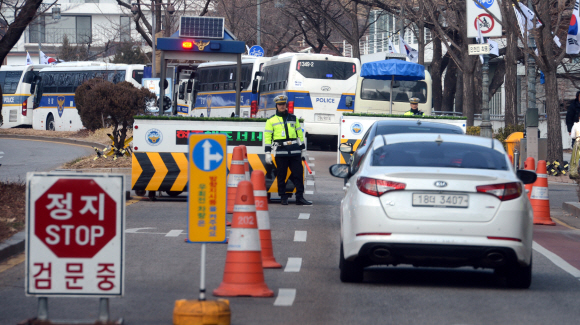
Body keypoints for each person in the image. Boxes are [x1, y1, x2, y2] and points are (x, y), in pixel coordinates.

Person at [264, 95, 312, 205]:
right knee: (281, 175)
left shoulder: (293, 118)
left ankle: (299, 197)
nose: (282, 106)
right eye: (280, 104)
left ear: (286, 105)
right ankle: (283, 196)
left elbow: (299, 135)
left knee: (298, 174)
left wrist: (303, 150)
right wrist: (267, 153)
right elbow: (268, 138)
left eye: (283, 104)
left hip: (295, 151)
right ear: (276, 105)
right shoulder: (271, 120)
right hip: (281, 151)